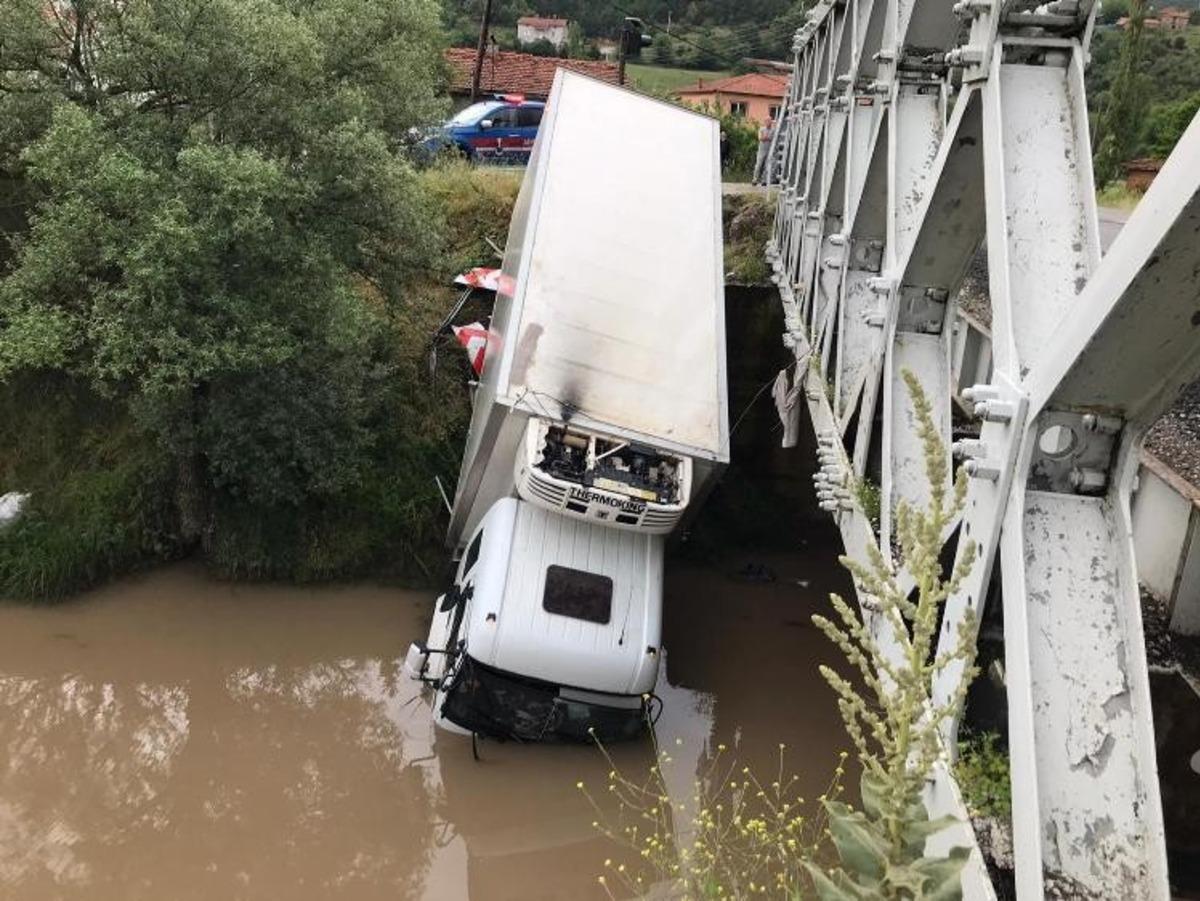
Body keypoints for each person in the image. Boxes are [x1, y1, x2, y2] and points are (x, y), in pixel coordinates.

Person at [753, 116, 775, 185]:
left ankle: (764, 180)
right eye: (767, 121)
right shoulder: (761, 129)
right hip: (761, 150)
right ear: (765, 122)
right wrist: (766, 137)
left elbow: (773, 139)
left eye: (770, 121)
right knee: (758, 165)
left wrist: (766, 137)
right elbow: (760, 138)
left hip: (769, 150)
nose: (769, 122)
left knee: (767, 166)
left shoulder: (773, 130)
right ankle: (755, 179)